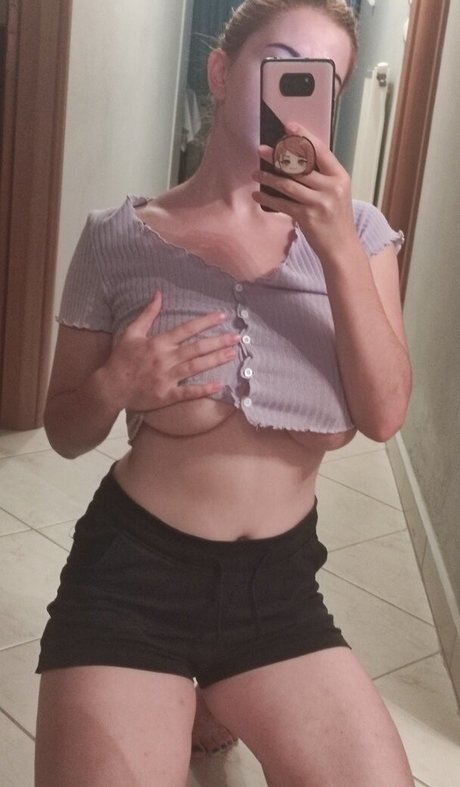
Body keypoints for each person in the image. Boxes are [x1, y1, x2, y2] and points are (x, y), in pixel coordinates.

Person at [35, 0, 414, 784]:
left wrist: (337, 249)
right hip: (131, 578)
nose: (297, 94)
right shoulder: (119, 238)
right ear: (219, 70)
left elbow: (383, 415)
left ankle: (214, 701)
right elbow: (64, 430)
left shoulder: (362, 235)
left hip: (279, 591)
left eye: (322, 79)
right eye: (281, 64)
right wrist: (114, 384)